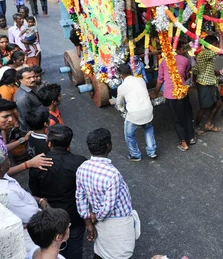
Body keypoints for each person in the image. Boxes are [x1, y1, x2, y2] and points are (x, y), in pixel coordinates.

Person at [76, 128, 138, 258]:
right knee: (119, 254)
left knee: (101, 252)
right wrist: (96, 217)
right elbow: (108, 207)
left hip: (99, 220)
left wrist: (88, 221)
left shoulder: (82, 168)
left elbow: (80, 198)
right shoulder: (112, 174)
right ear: (108, 146)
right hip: (117, 222)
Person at [28, 126, 88, 259]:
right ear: (69, 143)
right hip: (74, 216)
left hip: (49, 218)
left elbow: (35, 191)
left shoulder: (37, 164)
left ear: (49, 142)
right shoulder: (80, 162)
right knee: (74, 251)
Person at [154, 35, 195, 152]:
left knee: (176, 118)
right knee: (187, 114)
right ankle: (191, 137)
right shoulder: (185, 60)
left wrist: (155, 92)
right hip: (183, 92)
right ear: (178, 49)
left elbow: (160, 79)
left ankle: (183, 143)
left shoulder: (163, 61)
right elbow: (187, 75)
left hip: (170, 95)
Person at [116, 63, 157, 161]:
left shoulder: (121, 87)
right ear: (130, 71)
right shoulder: (141, 80)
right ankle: (152, 152)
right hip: (148, 110)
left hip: (134, 114)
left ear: (121, 75)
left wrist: (122, 111)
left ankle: (135, 155)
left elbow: (119, 104)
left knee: (129, 135)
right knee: (148, 129)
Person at [193, 34, 223, 133]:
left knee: (218, 103)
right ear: (211, 45)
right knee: (204, 108)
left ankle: (208, 124)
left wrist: (194, 80)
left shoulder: (204, 53)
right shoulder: (205, 53)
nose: (217, 46)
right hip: (205, 84)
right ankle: (196, 127)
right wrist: (220, 34)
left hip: (211, 83)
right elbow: (221, 50)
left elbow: (195, 69)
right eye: (215, 44)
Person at [15, 67, 43, 131]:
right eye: (28, 78)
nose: (33, 79)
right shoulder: (22, 97)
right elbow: (26, 118)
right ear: (20, 80)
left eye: (33, 76)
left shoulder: (33, 86)